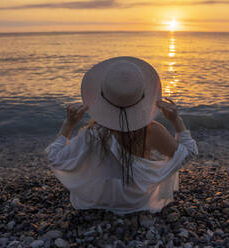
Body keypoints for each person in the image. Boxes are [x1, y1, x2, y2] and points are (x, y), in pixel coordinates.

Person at [45, 56, 198, 214]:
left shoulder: (92, 132)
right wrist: (176, 121)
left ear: (103, 96)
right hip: (135, 203)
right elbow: (188, 153)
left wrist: (68, 124)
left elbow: (54, 157)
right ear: (142, 95)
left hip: (98, 201)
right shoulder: (151, 131)